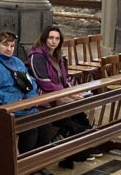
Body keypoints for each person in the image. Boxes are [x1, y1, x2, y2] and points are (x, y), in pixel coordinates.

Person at [0, 31, 55, 175]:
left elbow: (30, 83)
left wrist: (30, 99)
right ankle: (25, 169)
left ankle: (38, 164)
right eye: (5, 45)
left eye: (12, 46)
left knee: (45, 126)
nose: (9, 49)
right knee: (30, 129)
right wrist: (16, 101)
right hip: (0, 109)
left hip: (23, 106)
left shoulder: (17, 62)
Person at [28, 26, 99, 167]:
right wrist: (67, 94)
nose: (54, 41)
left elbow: (65, 79)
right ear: (44, 38)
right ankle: (77, 152)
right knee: (69, 117)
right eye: (51, 38)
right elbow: (44, 82)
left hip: (59, 94)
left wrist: (72, 91)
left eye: (57, 38)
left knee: (80, 113)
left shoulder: (58, 56)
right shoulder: (37, 56)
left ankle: (86, 147)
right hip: (45, 98)